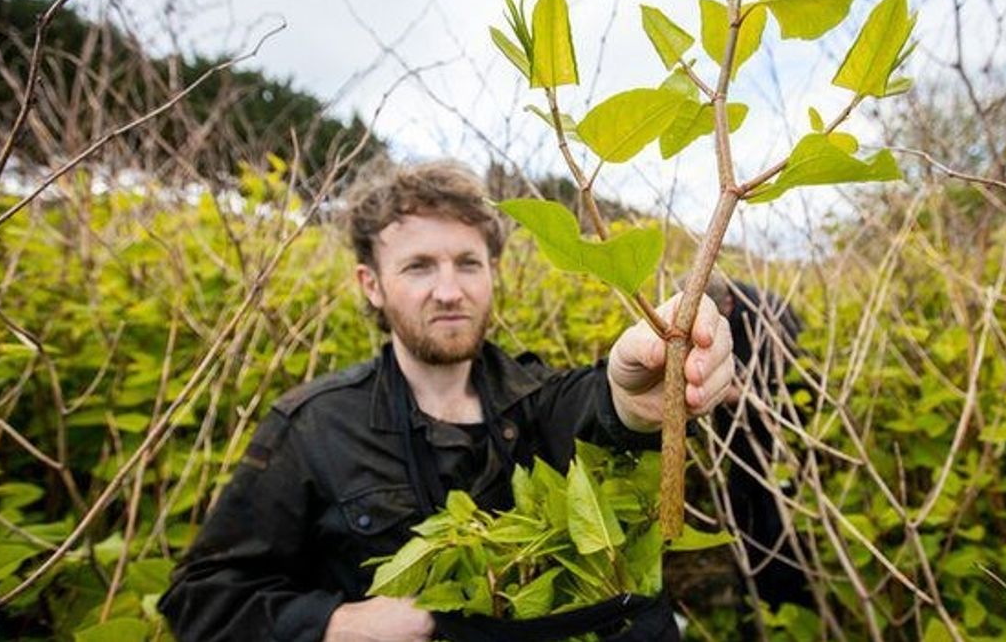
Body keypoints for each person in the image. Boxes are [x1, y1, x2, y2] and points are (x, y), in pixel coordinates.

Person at [158, 161, 735, 642]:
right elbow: (200, 598)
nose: (450, 291)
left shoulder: (536, 399)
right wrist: (336, 622)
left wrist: (638, 394)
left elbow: (603, 404)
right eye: (418, 267)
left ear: (492, 273)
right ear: (371, 284)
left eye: (467, 263)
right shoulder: (315, 427)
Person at [705, 276, 812, 614]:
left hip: (782, 433)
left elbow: (792, 387)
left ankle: (790, 605)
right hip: (737, 437)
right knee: (742, 509)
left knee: (779, 516)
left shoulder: (770, 318)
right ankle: (753, 600)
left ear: (727, 305)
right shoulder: (716, 310)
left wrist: (734, 393)